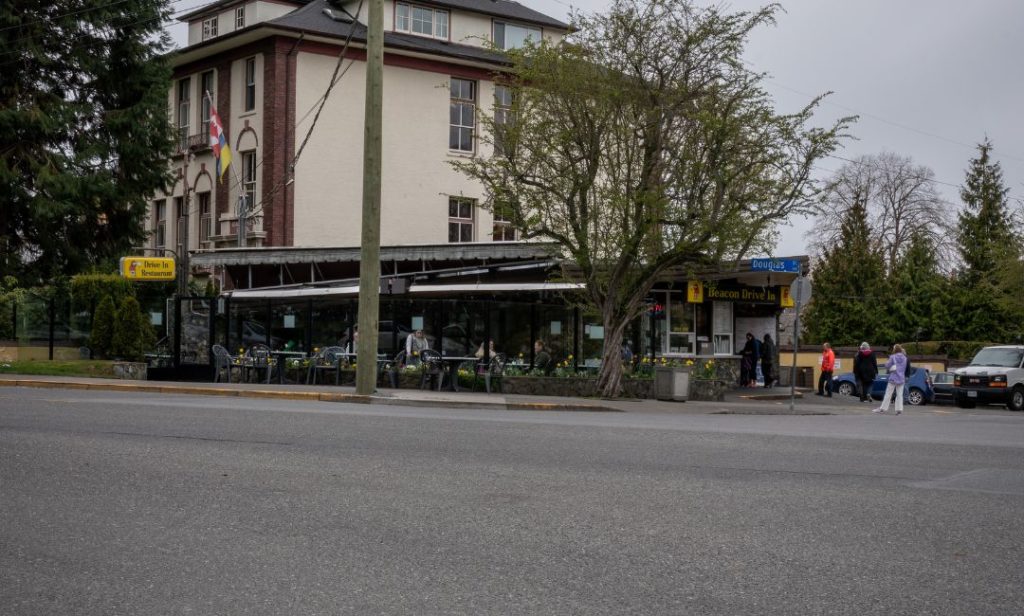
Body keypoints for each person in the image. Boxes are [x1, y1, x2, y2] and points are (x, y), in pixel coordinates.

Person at [874, 344, 908, 415]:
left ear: (895, 349)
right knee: (899, 395)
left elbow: (887, 365)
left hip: (893, 378)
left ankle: (883, 408)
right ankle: (899, 409)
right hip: (901, 378)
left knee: (888, 394)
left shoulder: (893, 357)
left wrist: (889, 364)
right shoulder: (905, 358)